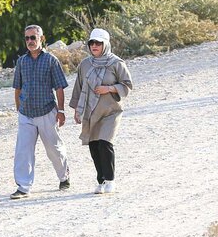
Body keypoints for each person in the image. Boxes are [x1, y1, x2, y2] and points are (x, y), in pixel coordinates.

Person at [69, 28, 133, 194]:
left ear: (106, 45)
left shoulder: (116, 63)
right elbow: (79, 86)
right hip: (91, 112)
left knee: (105, 142)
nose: (95, 46)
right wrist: (77, 109)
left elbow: (127, 85)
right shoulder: (85, 65)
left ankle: (110, 180)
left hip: (111, 112)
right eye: (92, 43)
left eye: (98, 43)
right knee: (94, 145)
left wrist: (109, 88)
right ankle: (101, 180)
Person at [10, 24, 71, 199]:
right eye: (27, 38)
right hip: (26, 114)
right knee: (23, 151)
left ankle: (64, 175)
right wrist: (19, 109)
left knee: (54, 149)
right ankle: (23, 186)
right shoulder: (22, 62)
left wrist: (61, 110)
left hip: (47, 112)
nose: (30, 41)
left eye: (33, 37)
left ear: (41, 39)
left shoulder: (51, 60)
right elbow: (17, 88)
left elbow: (59, 87)